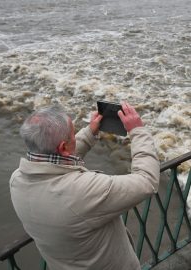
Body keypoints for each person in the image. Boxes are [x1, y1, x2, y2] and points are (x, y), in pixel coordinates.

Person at [9, 102, 160, 270]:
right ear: (64, 147)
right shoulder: (85, 191)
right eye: (73, 134)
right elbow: (147, 181)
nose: (75, 136)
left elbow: (56, 161)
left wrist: (90, 132)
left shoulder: (17, 180)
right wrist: (138, 131)